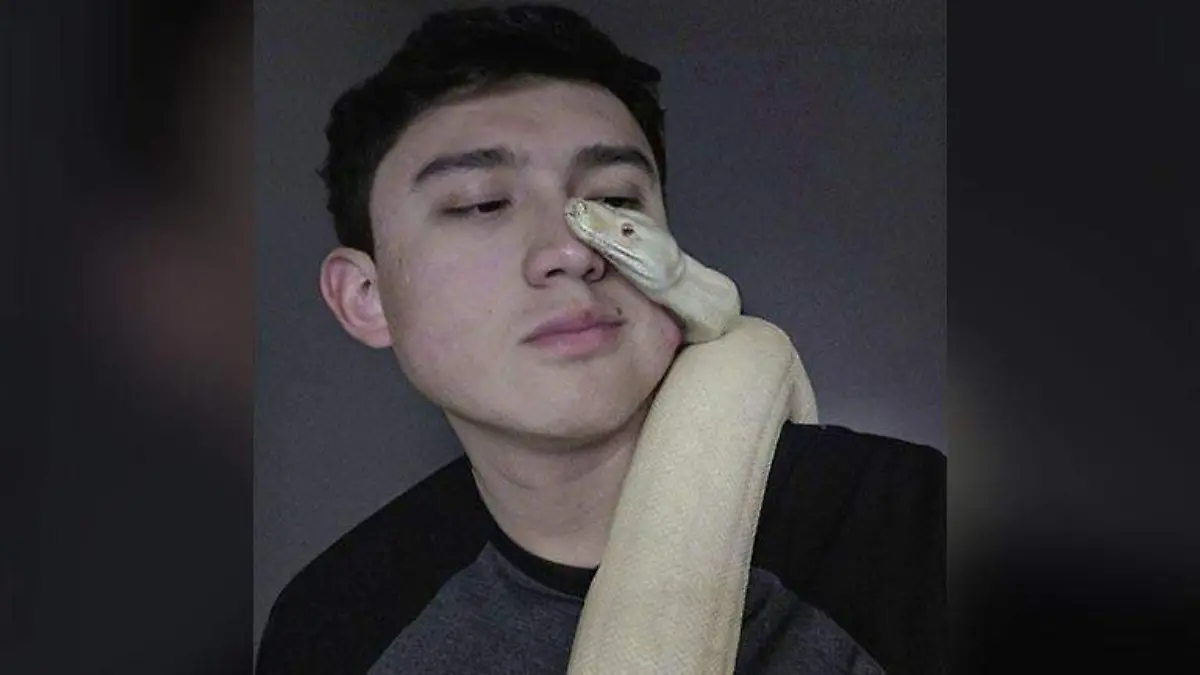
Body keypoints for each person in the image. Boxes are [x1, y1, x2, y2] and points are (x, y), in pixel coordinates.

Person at [255, 4, 944, 674]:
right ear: (366, 297)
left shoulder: (915, 530)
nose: (573, 250)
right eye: (482, 203)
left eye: (616, 201)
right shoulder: (332, 628)